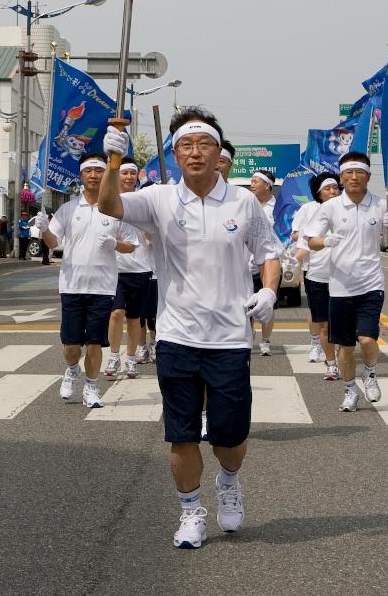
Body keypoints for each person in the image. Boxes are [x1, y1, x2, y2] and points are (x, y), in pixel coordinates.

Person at [100, 108, 282, 549]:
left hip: (229, 338)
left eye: (204, 145)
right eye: (186, 146)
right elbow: (109, 205)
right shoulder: (159, 199)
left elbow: (268, 252)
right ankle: (190, 512)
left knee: (230, 437)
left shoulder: (243, 202)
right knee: (181, 435)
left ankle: (229, 480)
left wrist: (270, 290)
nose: (196, 153)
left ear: (219, 154)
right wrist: (111, 161)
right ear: (176, 154)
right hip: (178, 336)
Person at [37, 152, 137, 409]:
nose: (93, 175)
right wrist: (44, 229)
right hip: (72, 286)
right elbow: (53, 243)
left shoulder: (116, 209)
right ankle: (72, 369)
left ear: (106, 175)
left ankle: (91, 387)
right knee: (71, 345)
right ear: (81, 176)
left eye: (98, 170)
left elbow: (131, 246)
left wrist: (115, 243)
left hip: (102, 287)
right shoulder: (68, 209)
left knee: (94, 343)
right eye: (88, 171)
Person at [305, 152, 388, 413]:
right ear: (341, 176)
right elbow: (311, 240)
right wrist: (324, 241)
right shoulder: (330, 207)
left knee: (367, 339)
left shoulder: (380, 205)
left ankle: (369, 374)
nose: (354, 177)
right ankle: (350, 390)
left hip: (371, 284)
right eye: (348, 173)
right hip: (339, 287)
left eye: (360, 172)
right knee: (345, 347)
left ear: (368, 176)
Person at [291, 172, 341, 379]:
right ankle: (327, 357)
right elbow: (299, 238)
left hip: (345, 277)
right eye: (327, 189)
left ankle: (341, 352)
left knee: (340, 322)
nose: (332, 191)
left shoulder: (347, 210)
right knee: (322, 321)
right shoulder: (309, 210)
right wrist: (292, 262)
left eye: (335, 188)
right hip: (316, 273)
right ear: (318, 193)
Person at [106, 157, 151, 380]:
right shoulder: (109, 201)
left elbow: (153, 235)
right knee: (116, 313)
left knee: (134, 318)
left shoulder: (144, 201)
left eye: (132, 174)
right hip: (114, 269)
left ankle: (131, 359)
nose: (129, 177)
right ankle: (114, 355)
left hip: (141, 267)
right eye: (124, 173)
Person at [248, 168, 278, 356]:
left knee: (268, 303)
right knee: (247, 303)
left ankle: (265, 341)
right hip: (246, 265)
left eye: (255, 181)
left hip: (268, 263)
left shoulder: (279, 207)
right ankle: (248, 333)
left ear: (267, 185)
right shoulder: (246, 204)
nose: (251, 184)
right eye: (251, 181)